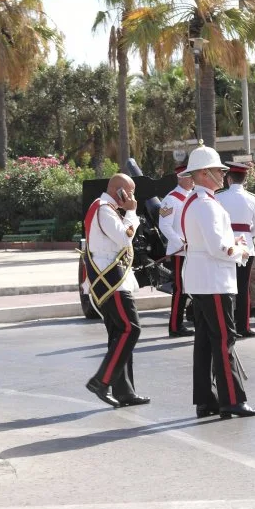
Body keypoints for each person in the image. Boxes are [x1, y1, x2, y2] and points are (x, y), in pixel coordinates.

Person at [180, 145, 255, 419]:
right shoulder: (206, 205)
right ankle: (232, 399)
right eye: (218, 170)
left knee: (205, 342)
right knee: (224, 339)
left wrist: (231, 243)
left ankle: (207, 399)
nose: (222, 175)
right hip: (214, 280)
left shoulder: (196, 201)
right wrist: (239, 249)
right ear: (204, 173)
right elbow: (219, 248)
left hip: (203, 279)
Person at [84, 173, 150, 408]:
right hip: (111, 279)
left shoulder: (106, 208)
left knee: (118, 334)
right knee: (129, 329)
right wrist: (132, 212)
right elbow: (124, 239)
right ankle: (101, 380)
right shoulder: (104, 209)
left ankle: (125, 391)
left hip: (113, 278)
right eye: (130, 192)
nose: (133, 197)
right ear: (119, 191)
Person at [217, 162, 255, 338]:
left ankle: (228, 326)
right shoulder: (252, 199)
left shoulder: (219, 197)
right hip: (246, 246)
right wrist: (245, 233)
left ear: (229, 179)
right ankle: (243, 327)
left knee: (227, 287)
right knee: (243, 287)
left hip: (226, 245)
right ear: (244, 180)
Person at [158, 164, 195, 338]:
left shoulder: (193, 197)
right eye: (189, 176)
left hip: (193, 250)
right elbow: (164, 225)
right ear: (180, 177)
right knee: (180, 289)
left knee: (191, 288)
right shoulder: (170, 199)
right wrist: (180, 243)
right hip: (180, 251)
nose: (192, 180)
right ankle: (175, 325)